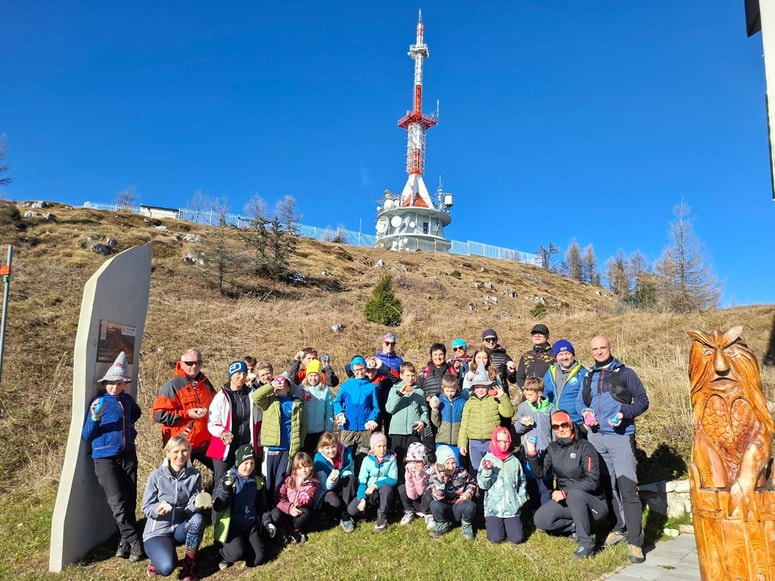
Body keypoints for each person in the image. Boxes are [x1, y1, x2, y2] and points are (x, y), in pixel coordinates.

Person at [576, 335, 649, 564]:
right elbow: (580, 402)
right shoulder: (588, 376)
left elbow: (642, 401)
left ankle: (636, 542)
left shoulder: (626, 373)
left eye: (602, 348)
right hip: (596, 438)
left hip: (620, 437)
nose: (599, 352)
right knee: (608, 487)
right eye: (595, 349)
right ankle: (619, 527)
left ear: (611, 348)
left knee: (628, 488)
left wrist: (623, 414)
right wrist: (585, 413)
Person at [81, 351, 143, 561]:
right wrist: (96, 417)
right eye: (110, 383)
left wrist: (129, 430)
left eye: (118, 383)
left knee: (129, 498)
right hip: (104, 457)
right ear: (105, 382)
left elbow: (136, 412)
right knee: (117, 502)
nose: (114, 387)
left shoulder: (126, 400)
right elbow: (86, 433)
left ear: (124, 384)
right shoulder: (99, 402)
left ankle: (123, 541)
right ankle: (134, 540)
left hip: (128, 454)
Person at [526, 410, 609, 559]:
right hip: (569, 501)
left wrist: (565, 493)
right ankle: (577, 525)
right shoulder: (553, 448)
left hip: (594, 504)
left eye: (564, 424)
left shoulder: (585, 447)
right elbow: (541, 473)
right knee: (541, 519)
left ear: (570, 424)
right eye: (556, 427)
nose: (561, 429)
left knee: (575, 495)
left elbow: (592, 480)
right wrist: (532, 454)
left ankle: (587, 544)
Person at [142, 435, 209, 580]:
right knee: (166, 568)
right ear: (168, 453)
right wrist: (157, 508)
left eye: (185, 451)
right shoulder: (156, 476)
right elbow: (146, 507)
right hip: (157, 531)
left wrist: (197, 504)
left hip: (179, 529)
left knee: (197, 519)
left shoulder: (195, 475)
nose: (181, 455)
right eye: (176, 451)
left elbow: (190, 508)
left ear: (189, 453)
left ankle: (188, 566)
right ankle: (155, 560)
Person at [152, 349, 216, 470]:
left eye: (198, 363)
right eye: (190, 363)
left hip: (205, 442)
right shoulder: (172, 385)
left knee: (224, 471)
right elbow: (158, 415)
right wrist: (187, 414)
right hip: (182, 445)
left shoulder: (205, 382)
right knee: (179, 482)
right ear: (181, 364)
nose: (194, 366)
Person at [207, 360, 263, 488]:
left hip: (246, 446)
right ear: (230, 375)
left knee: (246, 481)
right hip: (224, 446)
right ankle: (218, 507)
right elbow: (212, 423)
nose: (241, 377)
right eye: (238, 373)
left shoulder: (252, 394)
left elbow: (258, 421)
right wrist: (223, 432)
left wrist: (258, 444)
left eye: (244, 373)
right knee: (222, 482)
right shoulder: (221, 396)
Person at [212, 445, 269, 570]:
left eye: (252, 463)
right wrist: (226, 489)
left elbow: (262, 507)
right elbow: (218, 507)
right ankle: (223, 551)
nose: (249, 467)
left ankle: (245, 545)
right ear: (238, 462)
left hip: (250, 525)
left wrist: (267, 522)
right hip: (232, 526)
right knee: (236, 553)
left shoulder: (257, 482)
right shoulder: (228, 479)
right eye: (245, 463)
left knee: (258, 559)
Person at [252, 373, 306, 500]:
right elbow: (256, 397)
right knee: (267, 480)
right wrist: (271, 385)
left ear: (288, 388)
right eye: (278, 384)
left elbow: (303, 426)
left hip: (288, 449)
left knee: (281, 480)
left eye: (283, 385)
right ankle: (265, 509)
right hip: (271, 447)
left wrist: (299, 443)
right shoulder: (269, 401)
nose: (280, 387)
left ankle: (279, 508)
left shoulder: (297, 404)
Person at [459, 364, 515, 478]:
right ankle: (477, 494)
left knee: (493, 469)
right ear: (473, 388)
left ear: (488, 387)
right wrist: (462, 444)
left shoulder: (495, 400)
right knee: (475, 470)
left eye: (483, 386)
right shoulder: (469, 403)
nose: (480, 390)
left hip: (492, 441)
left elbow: (508, 413)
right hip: (474, 443)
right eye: (477, 387)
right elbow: (464, 425)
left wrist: (502, 397)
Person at [477, 427, 527, 545]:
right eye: (500, 441)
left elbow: (522, 482)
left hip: (512, 508)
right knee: (495, 539)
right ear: (494, 441)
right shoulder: (487, 459)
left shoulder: (514, 461)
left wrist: (519, 501)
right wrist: (486, 471)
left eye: (506, 441)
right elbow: (483, 485)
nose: (503, 444)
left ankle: (512, 524)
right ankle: (494, 525)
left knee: (517, 539)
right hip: (494, 509)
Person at [514, 376, 556, 509]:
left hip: (545, 454)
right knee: (531, 484)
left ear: (539, 393)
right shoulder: (523, 408)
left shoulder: (551, 409)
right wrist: (523, 424)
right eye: (525, 393)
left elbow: (554, 432)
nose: (526, 396)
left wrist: (554, 450)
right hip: (528, 453)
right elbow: (516, 429)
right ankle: (534, 509)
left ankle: (546, 512)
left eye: (530, 394)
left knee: (546, 486)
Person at [334, 356, 380, 470]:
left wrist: (371, 419)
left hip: (365, 430)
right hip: (348, 428)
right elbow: (337, 402)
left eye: (362, 369)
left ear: (366, 369)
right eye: (356, 370)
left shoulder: (371, 387)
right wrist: (340, 413)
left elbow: (376, 408)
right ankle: (345, 484)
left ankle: (360, 484)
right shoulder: (346, 385)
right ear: (353, 371)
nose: (359, 372)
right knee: (345, 457)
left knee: (363, 459)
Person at [347, 432, 397, 532]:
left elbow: (393, 479)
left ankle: (382, 517)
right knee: (351, 510)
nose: (382, 449)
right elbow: (362, 482)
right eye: (379, 446)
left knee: (387, 487)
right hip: (369, 492)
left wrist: (375, 485)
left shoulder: (391, 459)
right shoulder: (367, 460)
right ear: (373, 448)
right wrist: (362, 498)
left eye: (384, 446)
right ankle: (370, 513)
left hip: (384, 492)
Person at [266, 451, 319, 544]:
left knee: (305, 515)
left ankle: (295, 529)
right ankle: (282, 530)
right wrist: (289, 508)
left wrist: (304, 499)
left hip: (299, 510)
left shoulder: (314, 482)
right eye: (300, 468)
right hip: (286, 508)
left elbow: (310, 498)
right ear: (295, 469)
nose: (304, 470)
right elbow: (278, 497)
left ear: (311, 466)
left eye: (306, 466)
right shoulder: (288, 479)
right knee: (275, 514)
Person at [385, 361, 429, 471]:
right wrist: (400, 395)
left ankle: (413, 484)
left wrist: (423, 422)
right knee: (396, 461)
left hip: (413, 431)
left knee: (414, 461)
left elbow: (424, 411)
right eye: (407, 375)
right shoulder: (395, 389)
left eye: (413, 375)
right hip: (397, 431)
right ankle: (397, 485)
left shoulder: (419, 392)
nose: (410, 378)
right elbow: (389, 409)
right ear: (401, 376)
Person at [427, 444, 477, 539]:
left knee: (470, 505)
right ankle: (443, 523)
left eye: (453, 463)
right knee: (434, 504)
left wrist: (468, 493)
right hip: (445, 508)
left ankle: (466, 524)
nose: (451, 466)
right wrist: (441, 479)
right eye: (447, 463)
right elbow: (438, 497)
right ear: (441, 464)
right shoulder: (434, 476)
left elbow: (472, 483)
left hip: (459, 505)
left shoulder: (462, 472)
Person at [313, 432, 356, 532]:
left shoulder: (345, 452)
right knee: (334, 502)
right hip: (326, 490)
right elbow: (324, 486)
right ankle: (329, 514)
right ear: (322, 448)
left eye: (333, 447)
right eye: (327, 448)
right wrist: (332, 479)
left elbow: (351, 469)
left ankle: (345, 514)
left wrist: (343, 474)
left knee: (351, 479)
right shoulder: (319, 460)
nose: (331, 450)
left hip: (341, 485)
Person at [542, 339, 587, 426]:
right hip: (554, 421)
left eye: (567, 353)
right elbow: (544, 393)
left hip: (576, 422)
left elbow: (589, 398)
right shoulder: (550, 373)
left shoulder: (583, 373)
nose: (565, 357)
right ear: (556, 357)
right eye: (561, 354)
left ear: (573, 354)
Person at [297, 359, 335, 455]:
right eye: (311, 375)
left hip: (320, 431)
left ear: (319, 376)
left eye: (315, 375)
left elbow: (329, 410)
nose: (313, 378)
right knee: (306, 456)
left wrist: (328, 429)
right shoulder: (301, 388)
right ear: (307, 376)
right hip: (304, 431)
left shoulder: (325, 390)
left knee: (318, 456)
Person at [429, 373, 467, 464]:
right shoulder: (439, 401)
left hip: (456, 442)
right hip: (442, 440)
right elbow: (436, 423)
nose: (450, 393)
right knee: (442, 465)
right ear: (443, 387)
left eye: (452, 391)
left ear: (457, 388)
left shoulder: (462, 402)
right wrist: (434, 410)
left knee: (455, 465)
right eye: (447, 391)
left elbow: (464, 422)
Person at [397, 441, 434, 528]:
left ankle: (429, 514)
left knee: (431, 491)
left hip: (426, 500)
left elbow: (421, 492)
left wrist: (419, 475)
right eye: (412, 461)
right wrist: (409, 479)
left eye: (418, 461)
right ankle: (409, 511)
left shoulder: (429, 470)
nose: (415, 465)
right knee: (402, 488)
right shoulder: (409, 470)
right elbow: (412, 496)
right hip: (414, 498)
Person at [515, 324, 555, 389]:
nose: (537, 336)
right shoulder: (526, 355)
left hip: (547, 395)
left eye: (541, 333)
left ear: (547, 336)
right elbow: (520, 376)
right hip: (528, 395)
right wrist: (526, 391)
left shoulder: (554, 355)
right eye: (534, 334)